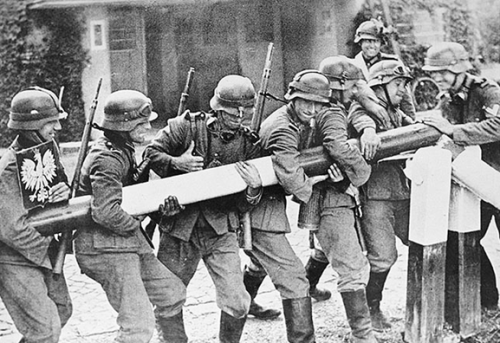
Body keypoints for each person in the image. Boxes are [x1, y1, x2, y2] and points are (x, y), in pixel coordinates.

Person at [144, 75, 263, 343]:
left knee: (237, 300)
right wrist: (177, 163)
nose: (241, 116)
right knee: (168, 299)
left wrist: (254, 189)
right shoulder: (186, 127)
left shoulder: (249, 144)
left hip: (220, 229)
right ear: (218, 108)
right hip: (180, 228)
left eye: (247, 110)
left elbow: (243, 203)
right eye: (234, 111)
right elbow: (151, 154)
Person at [74, 89, 187, 343]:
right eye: (142, 122)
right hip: (104, 248)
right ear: (124, 125)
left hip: (126, 241)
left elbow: (131, 196)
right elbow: (106, 212)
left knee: (172, 293)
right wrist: (138, 220)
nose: (148, 127)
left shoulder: (123, 148)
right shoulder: (107, 159)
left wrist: (157, 209)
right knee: (138, 325)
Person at [420, 42, 500, 311]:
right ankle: (488, 303)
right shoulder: (446, 101)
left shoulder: (486, 91)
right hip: (473, 181)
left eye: (442, 71)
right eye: (433, 73)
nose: (437, 78)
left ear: (459, 68)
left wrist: (454, 130)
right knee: (467, 242)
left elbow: (498, 125)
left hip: (497, 178)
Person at [0, 87, 73, 342]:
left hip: (41, 248)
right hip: (14, 257)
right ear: (31, 125)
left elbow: (60, 182)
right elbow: (12, 229)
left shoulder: (47, 147)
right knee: (44, 329)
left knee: (62, 310)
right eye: (51, 122)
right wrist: (49, 247)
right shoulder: (8, 168)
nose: (58, 128)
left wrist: (65, 189)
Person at [348, 60, 415, 331]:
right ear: (379, 86)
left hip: (402, 191)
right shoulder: (364, 108)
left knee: (421, 239)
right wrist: (369, 131)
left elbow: (413, 126)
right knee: (383, 256)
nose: (402, 90)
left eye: (404, 85)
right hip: (375, 196)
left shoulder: (394, 110)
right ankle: (371, 308)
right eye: (397, 84)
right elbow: (360, 120)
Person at [351, 18, 416, 119]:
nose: (372, 46)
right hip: (364, 118)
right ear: (360, 42)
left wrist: (411, 121)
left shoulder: (392, 63)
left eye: (376, 41)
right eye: (368, 41)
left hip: (391, 116)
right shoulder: (352, 66)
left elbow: (404, 97)